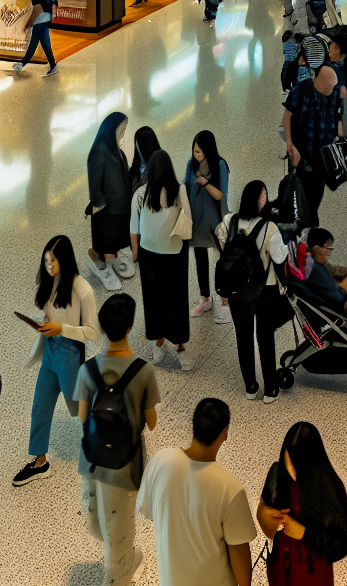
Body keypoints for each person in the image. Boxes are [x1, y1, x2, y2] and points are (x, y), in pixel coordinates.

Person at [77, 294, 159, 586]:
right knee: (120, 527)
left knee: (100, 517)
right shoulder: (144, 371)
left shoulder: (87, 369)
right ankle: (116, 578)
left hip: (92, 459)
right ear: (129, 327)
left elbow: (82, 415)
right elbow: (151, 422)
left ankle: (119, 560)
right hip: (125, 465)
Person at [137, 397, 256, 586]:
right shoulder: (230, 488)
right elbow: (239, 555)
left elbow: (153, 512)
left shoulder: (160, 461)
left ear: (193, 425)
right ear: (225, 433)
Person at [14, 235, 101, 488]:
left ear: (65, 259)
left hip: (70, 355)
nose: (49, 265)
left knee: (81, 408)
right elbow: (51, 313)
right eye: (46, 260)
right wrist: (45, 326)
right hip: (52, 352)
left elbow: (93, 332)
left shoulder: (83, 289)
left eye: (53, 260)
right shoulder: (51, 283)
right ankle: (40, 461)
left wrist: (61, 329)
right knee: (40, 406)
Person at [218, 180, 291, 402]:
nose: (265, 198)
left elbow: (222, 245)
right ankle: (270, 389)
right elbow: (279, 258)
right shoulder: (270, 228)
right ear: (258, 199)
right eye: (263, 195)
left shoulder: (229, 221)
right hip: (264, 290)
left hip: (236, 291)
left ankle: (250, 386)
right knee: (265, 338)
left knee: (243, 337)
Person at [258, 422, 347, 586]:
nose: (291, 470)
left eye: (297, 466)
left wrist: (304, 534)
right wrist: (265, 516)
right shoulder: (278, 473)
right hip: (283, 566)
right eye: (287, 461)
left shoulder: (330, 487)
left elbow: (342, 544)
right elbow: (264, 511)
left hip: (315, 573)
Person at [132, 150, 194, 370]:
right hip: (176, 254)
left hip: (150, 255)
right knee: (176, 299)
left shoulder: (141, 193)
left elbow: (134, 227)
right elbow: (189, 217)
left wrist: (135, 253)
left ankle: (158, 342)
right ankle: (180, 347)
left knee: (153, 299)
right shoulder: (180, 191)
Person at [282, 65, 347, 229]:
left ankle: (310, 228)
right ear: (321, 82)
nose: (331, 90)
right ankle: (306, 230)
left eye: (333, 87)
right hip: (302, 155)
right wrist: (291, 145)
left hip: (323, 158)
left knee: (315, 198)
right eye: (329, 86)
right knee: (301, 197)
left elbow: (337, 118)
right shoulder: (302, 89)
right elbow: (286, 117)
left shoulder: (333, 93)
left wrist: (340, 141)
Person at [186, 131, 233, 326]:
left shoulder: (220, 165)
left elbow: (220, 195)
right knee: (199, 258)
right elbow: (186, 185)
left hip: (215, 220)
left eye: (200, 151)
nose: (196, 155)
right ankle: (205, 298)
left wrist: (205, 183)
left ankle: (226, 300)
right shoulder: (191, 164)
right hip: (197, 220)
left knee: (222, 259)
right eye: (195, 151)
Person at [86, 112, 136, 290]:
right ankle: (102, 266)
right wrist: (98, 203)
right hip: (107, 209)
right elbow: (94, 181)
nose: (123, 133)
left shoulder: (117, 151)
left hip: (120, 208)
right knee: (106, 240)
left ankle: (111, 261)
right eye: (121, 130)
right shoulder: (99, 150)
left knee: (114, 239)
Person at [13, 0, 60, 77]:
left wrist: (29, 22)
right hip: (45, 18)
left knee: (42, 44)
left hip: (41, 20)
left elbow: (37, 9)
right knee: (37, 43)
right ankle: (22, 63)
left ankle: (53, 65)